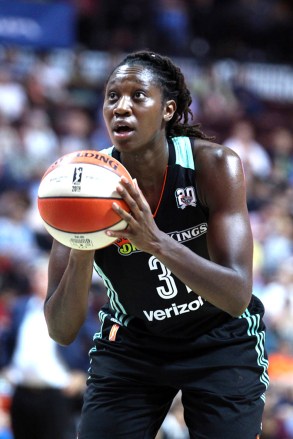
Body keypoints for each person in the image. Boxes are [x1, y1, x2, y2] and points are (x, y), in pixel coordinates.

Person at [44, 50, 269, 439]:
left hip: (220, 338)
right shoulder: (77, 185)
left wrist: (156, 243)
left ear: (168, 109)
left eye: (137, 96)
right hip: (134, 340)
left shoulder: (213, 166)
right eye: (112, 97)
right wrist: (83, 242)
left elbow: (236, 296)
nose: (121, 108)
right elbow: (62, 330)